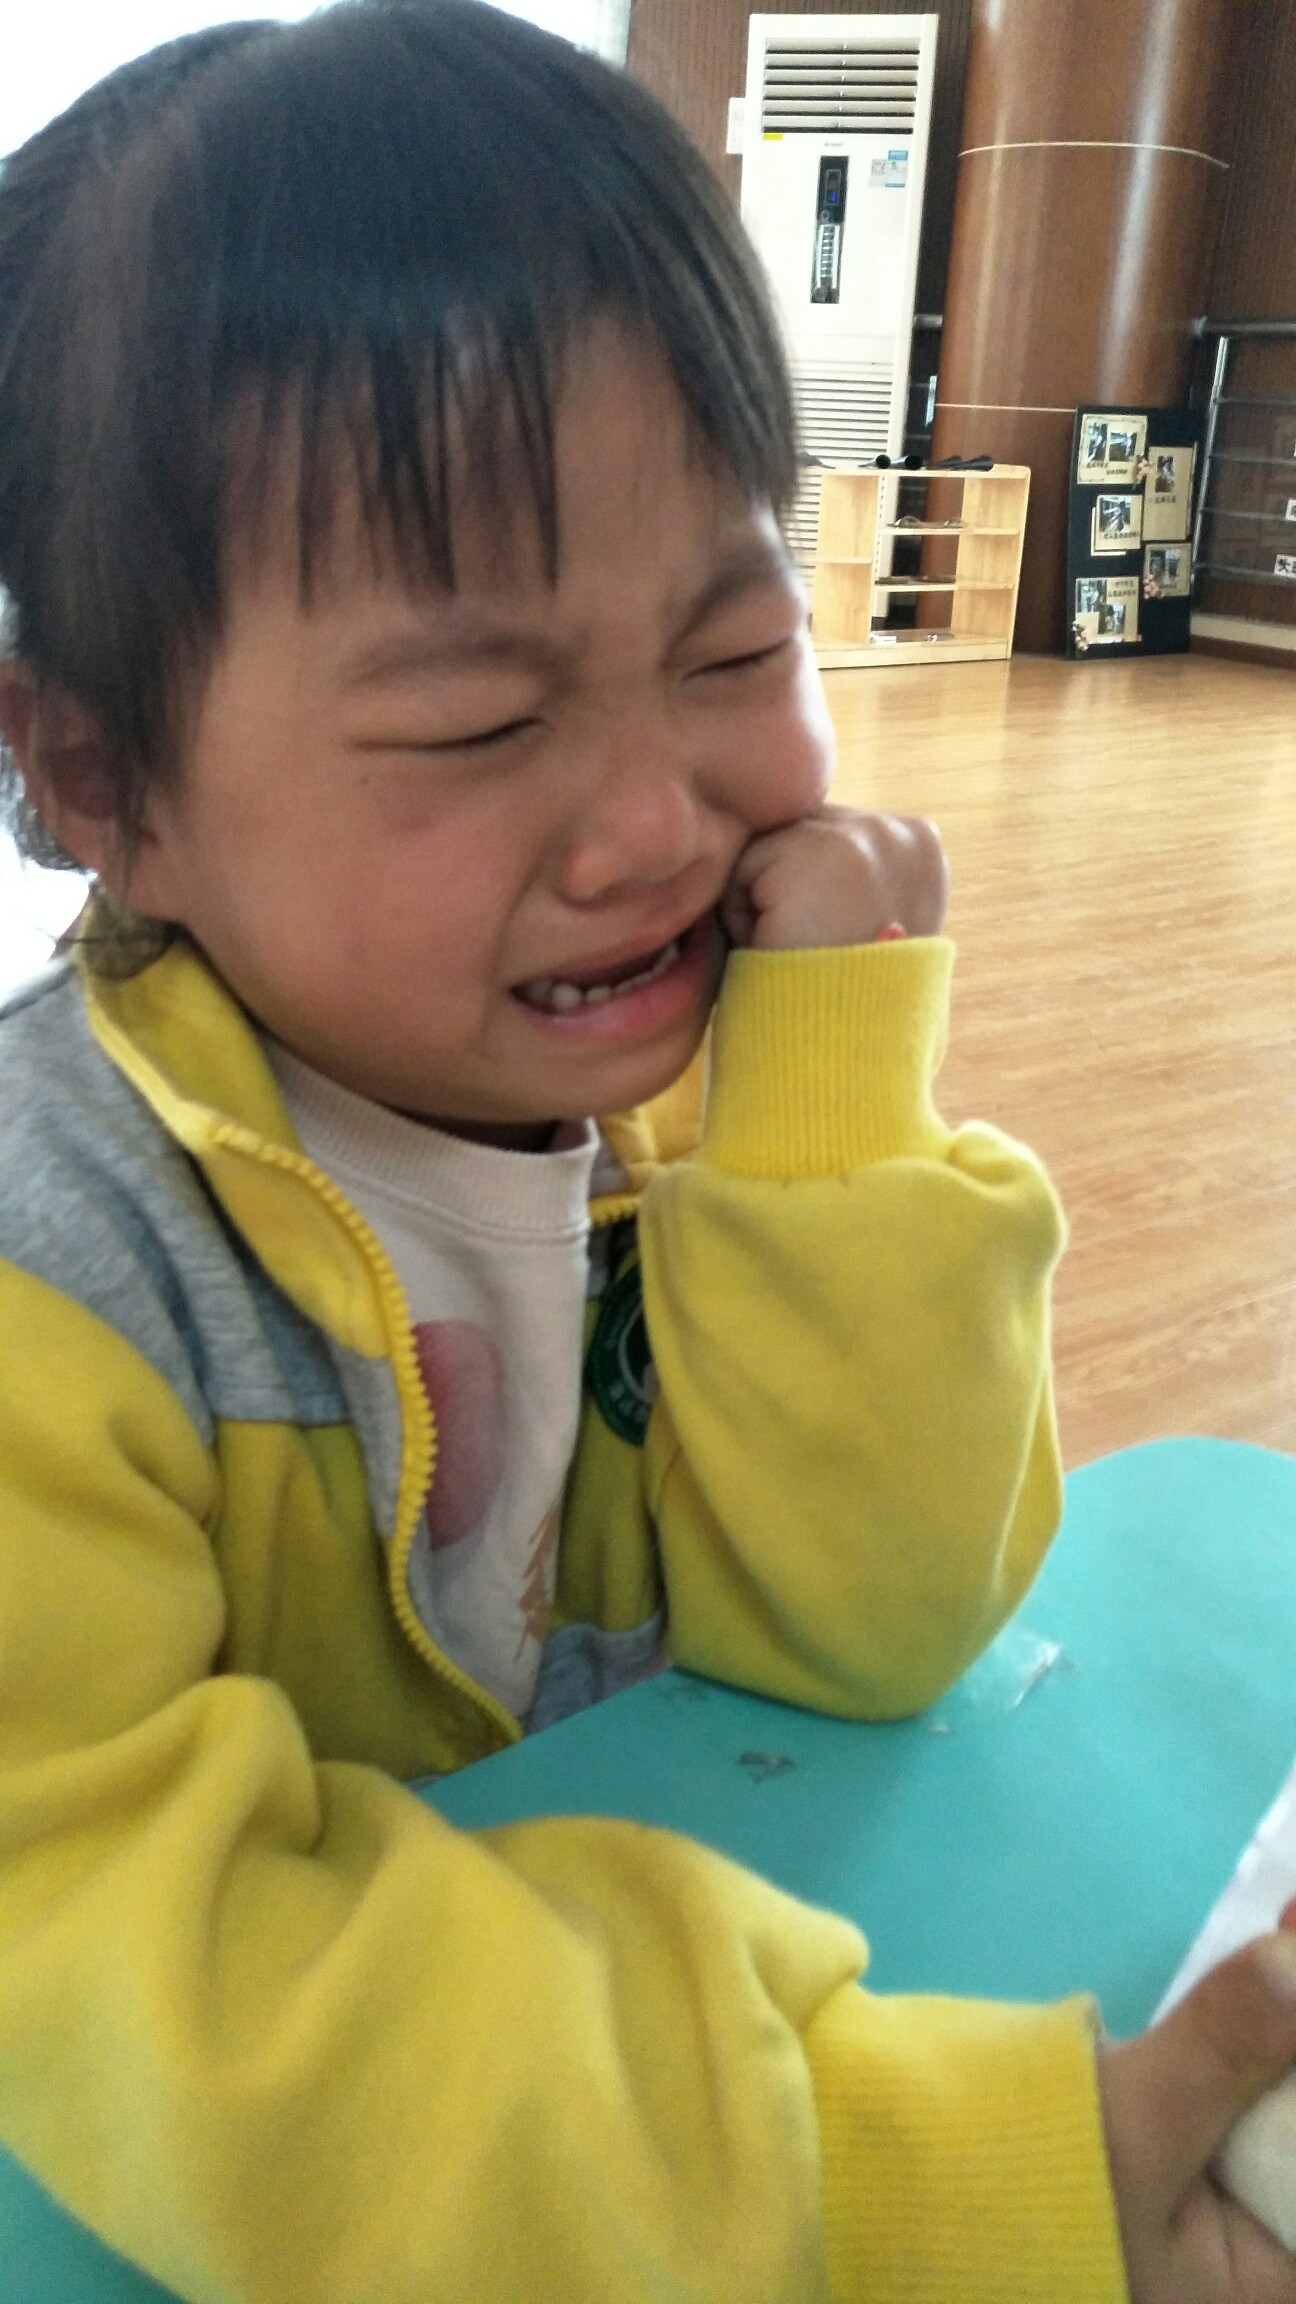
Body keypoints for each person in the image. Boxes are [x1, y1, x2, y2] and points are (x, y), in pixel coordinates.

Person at [1, 7, 1295, 2300]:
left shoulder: (675, 1096)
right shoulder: (56, 1280)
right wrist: (884, 2189)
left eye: (732, 648)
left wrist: (825, 1108)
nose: (652, 826)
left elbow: (874, 1638)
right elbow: (159, 1992)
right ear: (102, 782)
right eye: (478, 719)